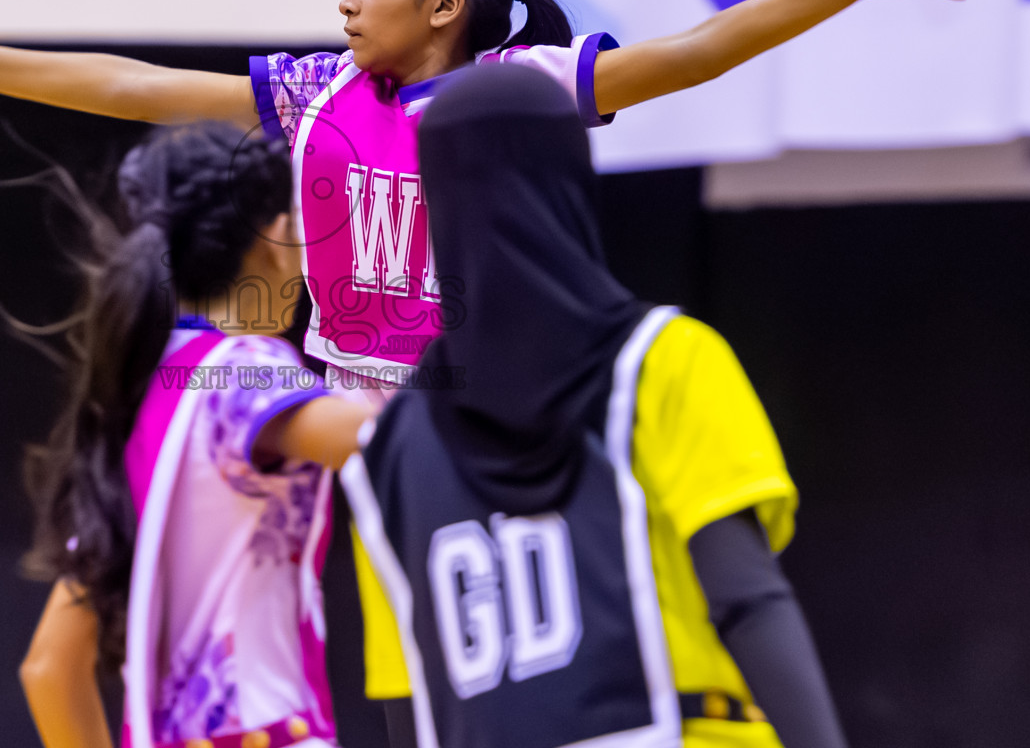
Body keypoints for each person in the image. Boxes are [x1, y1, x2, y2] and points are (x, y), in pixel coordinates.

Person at [0, 0, 982, 743]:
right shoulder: (321, 94)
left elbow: (693, 54)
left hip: (466, 415)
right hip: (341, 407)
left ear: (442, 6)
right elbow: (139, 87)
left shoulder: (517, 89)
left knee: (472, 644)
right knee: (298, 625)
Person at [341, 63, 845, 748]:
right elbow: (746, 599)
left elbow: (410, 709)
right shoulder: (661, 360)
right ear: (570, 180)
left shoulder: (387, 451)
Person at [15, 123, 375, 748]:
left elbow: (49, 668)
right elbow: (401, 439)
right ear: (282, 237)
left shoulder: (144, 389)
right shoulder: (247, 370)